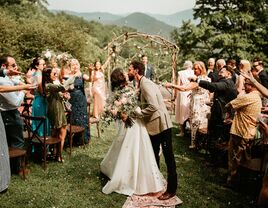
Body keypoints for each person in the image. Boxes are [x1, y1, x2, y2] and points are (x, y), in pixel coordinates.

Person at [100, 68, 164, 196]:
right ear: (121, 77)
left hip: (135, 121)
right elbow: (124, 106)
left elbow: (123, 104)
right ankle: (129, 178)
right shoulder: (124, 91)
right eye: (123, 73)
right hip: (134, 122)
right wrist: (123, 113)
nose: (126, 73)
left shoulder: (124, 89)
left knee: (131, 147)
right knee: (133, 148)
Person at [128, 60, 177, 200]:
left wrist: (139, 113)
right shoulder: (141, 83)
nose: (128, 71)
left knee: (169, 158)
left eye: (130, 69)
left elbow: (153, 106)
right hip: (153, 126)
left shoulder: (146, 84)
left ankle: (171, 190)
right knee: (154, 155)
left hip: (161, 125)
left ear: (136, 71)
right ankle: (155, 185)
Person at [0, 74, 36, 194]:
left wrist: (21, 83)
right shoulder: (2, 81)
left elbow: (15, 82)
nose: (16, 69)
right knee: (17, 142)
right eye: (13, 65)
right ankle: (17, 169)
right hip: (10, 114)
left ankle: (11, 168)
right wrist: (23, 91)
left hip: (6, 114)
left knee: (8, 143)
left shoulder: (8, 79)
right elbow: (15, 102)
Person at [196, 65, 238, 165]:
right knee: (216, 136)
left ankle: (214, 161)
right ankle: (214, 159)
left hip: (221, 115)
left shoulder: (226, 82)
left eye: (222, 71)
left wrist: (198, 81)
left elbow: (213, 86)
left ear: (229, 74)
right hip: (222, 112)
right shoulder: (228, 83)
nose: (219, 73)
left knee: (216, 136)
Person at [225, 78, 262, 187]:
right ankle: (240, 181)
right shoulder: (257, 97)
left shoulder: (248, 97)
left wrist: (228, 114)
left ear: (253, 86)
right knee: (243, 159)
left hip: (240, 131)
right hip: (249, 131)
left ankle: (232, 181)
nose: (244, 86)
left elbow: (229, 104)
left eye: (246, 84)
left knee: (235, 159)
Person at [166, 61, 211, 149]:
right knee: (202, 123)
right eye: (194, 68)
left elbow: (184, 88)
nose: (194, 70)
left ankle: (194, 144)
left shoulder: (198, 80)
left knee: (195, 122)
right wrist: (193, 93)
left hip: (198, 104)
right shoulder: (207, 78)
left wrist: (171, 85)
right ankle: (201, 143)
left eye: (196, 69)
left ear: (201, 69)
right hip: (204, 103)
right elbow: (206, 91)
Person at [42, 67, 74, 162]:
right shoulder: (48, 85)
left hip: (57, 109)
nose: (56, 74)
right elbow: (62, 87)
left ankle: (55, 153)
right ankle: (58, 155)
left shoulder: (49, 85)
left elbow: (59, 93)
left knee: (56, 132)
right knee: (62, 132)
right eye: (53, 73)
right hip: (57, 111)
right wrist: (72, 76)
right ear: (48, 75)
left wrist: (64, 96)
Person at [69, 59, 90, 143]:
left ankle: (83, 139)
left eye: (76, 64)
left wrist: (91, 71)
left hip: (81, 98)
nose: (75, 66)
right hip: (72, 98)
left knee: (81, 117)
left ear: (79, 65)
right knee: (73, 117)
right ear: (70, 67)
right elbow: (68, 87)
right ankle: (73, 139)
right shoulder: (69, 76)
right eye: (73, 65)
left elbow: (90, 79)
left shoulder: (82, 75)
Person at [30, 57, 51, 136]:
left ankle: (38, 141)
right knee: (42, 120)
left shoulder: (34, 74)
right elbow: (39, 84)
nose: (45, 66)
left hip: (36, 99)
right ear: (36, 66)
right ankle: (43, 139)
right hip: (41, 100)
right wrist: (43, 94)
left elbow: (31, 91)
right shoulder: (39, 74)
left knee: (38, 120)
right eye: (43, 64)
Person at [174, 60, 194, 136]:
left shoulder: (180, 73)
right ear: (191, 65)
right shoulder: (193, 72)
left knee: (181, 112)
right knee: (190, 111)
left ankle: (182, 131)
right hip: (191, 93)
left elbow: (178, 85)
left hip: (182, 94)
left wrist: (175, 95)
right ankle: (192, 131)